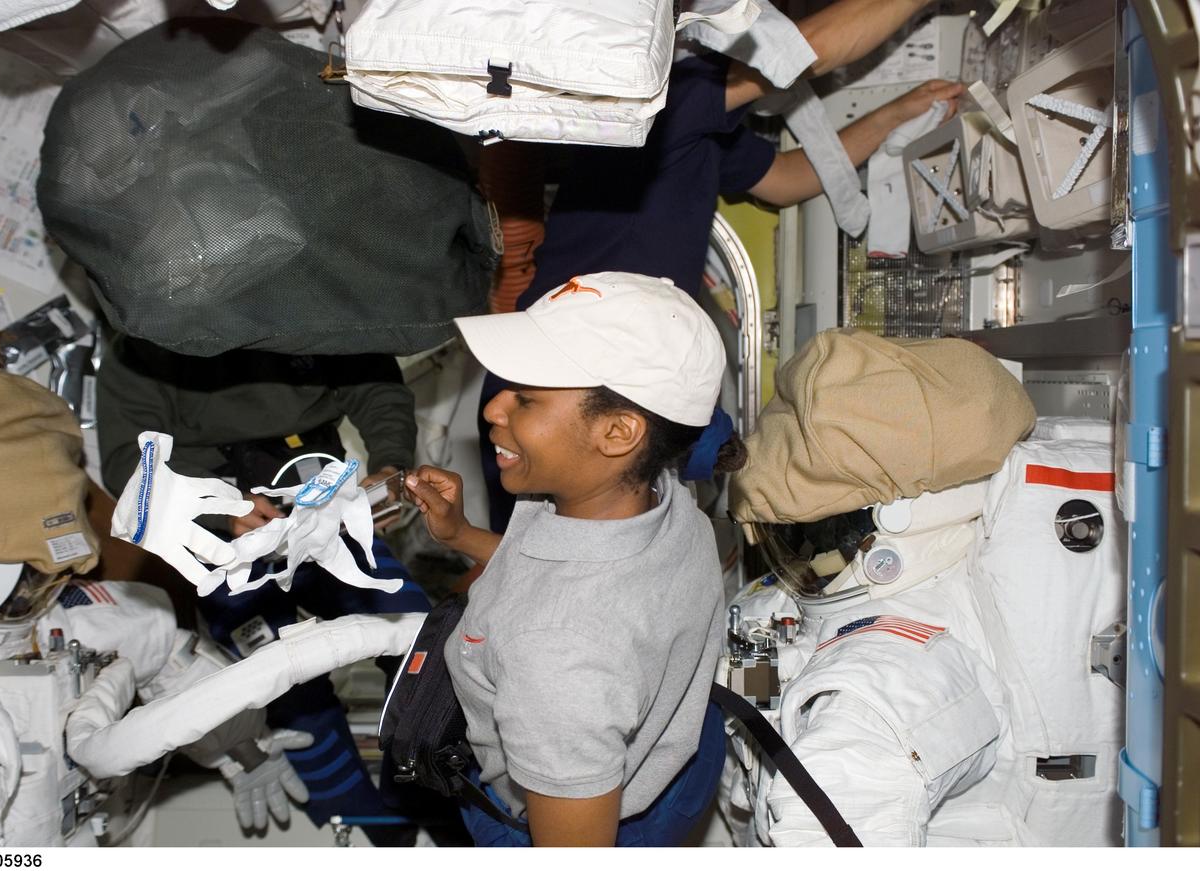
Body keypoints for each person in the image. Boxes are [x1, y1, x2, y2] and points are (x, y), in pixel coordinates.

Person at [476, 0, 964, 529]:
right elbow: (801, 50)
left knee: (565, 534)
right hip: (552, 377)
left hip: (586, 371)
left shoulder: (681, 128)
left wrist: (898, 113)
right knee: (546, 539)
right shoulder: (659, 101)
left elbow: (785, 179)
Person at [725, 330, 1125, 845]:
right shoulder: (772, 612)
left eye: (815, 538)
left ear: (902, 522)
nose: (800, 562)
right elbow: (749, 767)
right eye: (786, 539)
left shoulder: (892, 676)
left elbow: (833, 808)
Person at [401, 272, 746, 846]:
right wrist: (462, 535)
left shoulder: (560, 658)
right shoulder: (651, 490)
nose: (494, 410)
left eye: (528, 398)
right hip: (667, 772)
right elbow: (555, 572)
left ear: (618, 432)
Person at [0, 353, 307, 845]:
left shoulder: (60, 615)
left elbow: (170, 658)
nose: (38, 586)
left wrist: (244, 749)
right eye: (23, 573)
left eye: (44, 572)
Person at [96, 336, 442, 844]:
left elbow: (376, 386)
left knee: (425, 649)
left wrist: (391, 465)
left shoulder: (314, 309)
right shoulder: (143, 346)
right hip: (227, 544)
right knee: (284, 688)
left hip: (327, 516)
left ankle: (449, 805)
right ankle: (370, 831)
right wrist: (221, 508)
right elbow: (128, 462)